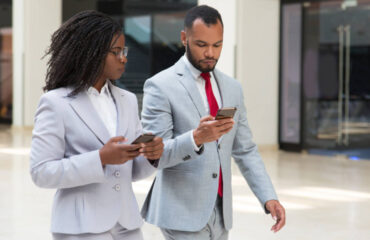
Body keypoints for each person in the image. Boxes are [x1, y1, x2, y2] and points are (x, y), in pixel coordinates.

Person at [140, 5, 286, 239]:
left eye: (217, 45)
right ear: (184, 38)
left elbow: (245, 150)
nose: (210, 53)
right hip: (181, 213)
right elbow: (155, 156)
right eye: (201, 45)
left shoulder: (232, 88)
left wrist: (268, 197)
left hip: (221, 212)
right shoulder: (160, 86)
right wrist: (196, 138)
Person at [30, 10, 163, 240]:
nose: (124, 58)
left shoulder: (128, 100)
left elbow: (130, 171)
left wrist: (151, 156)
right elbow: (41, 172)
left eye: (125, 50)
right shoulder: (56, 103)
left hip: (127, 225)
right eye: (116, 52)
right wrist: (100, 158)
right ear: (90, 53)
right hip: (81, 228)